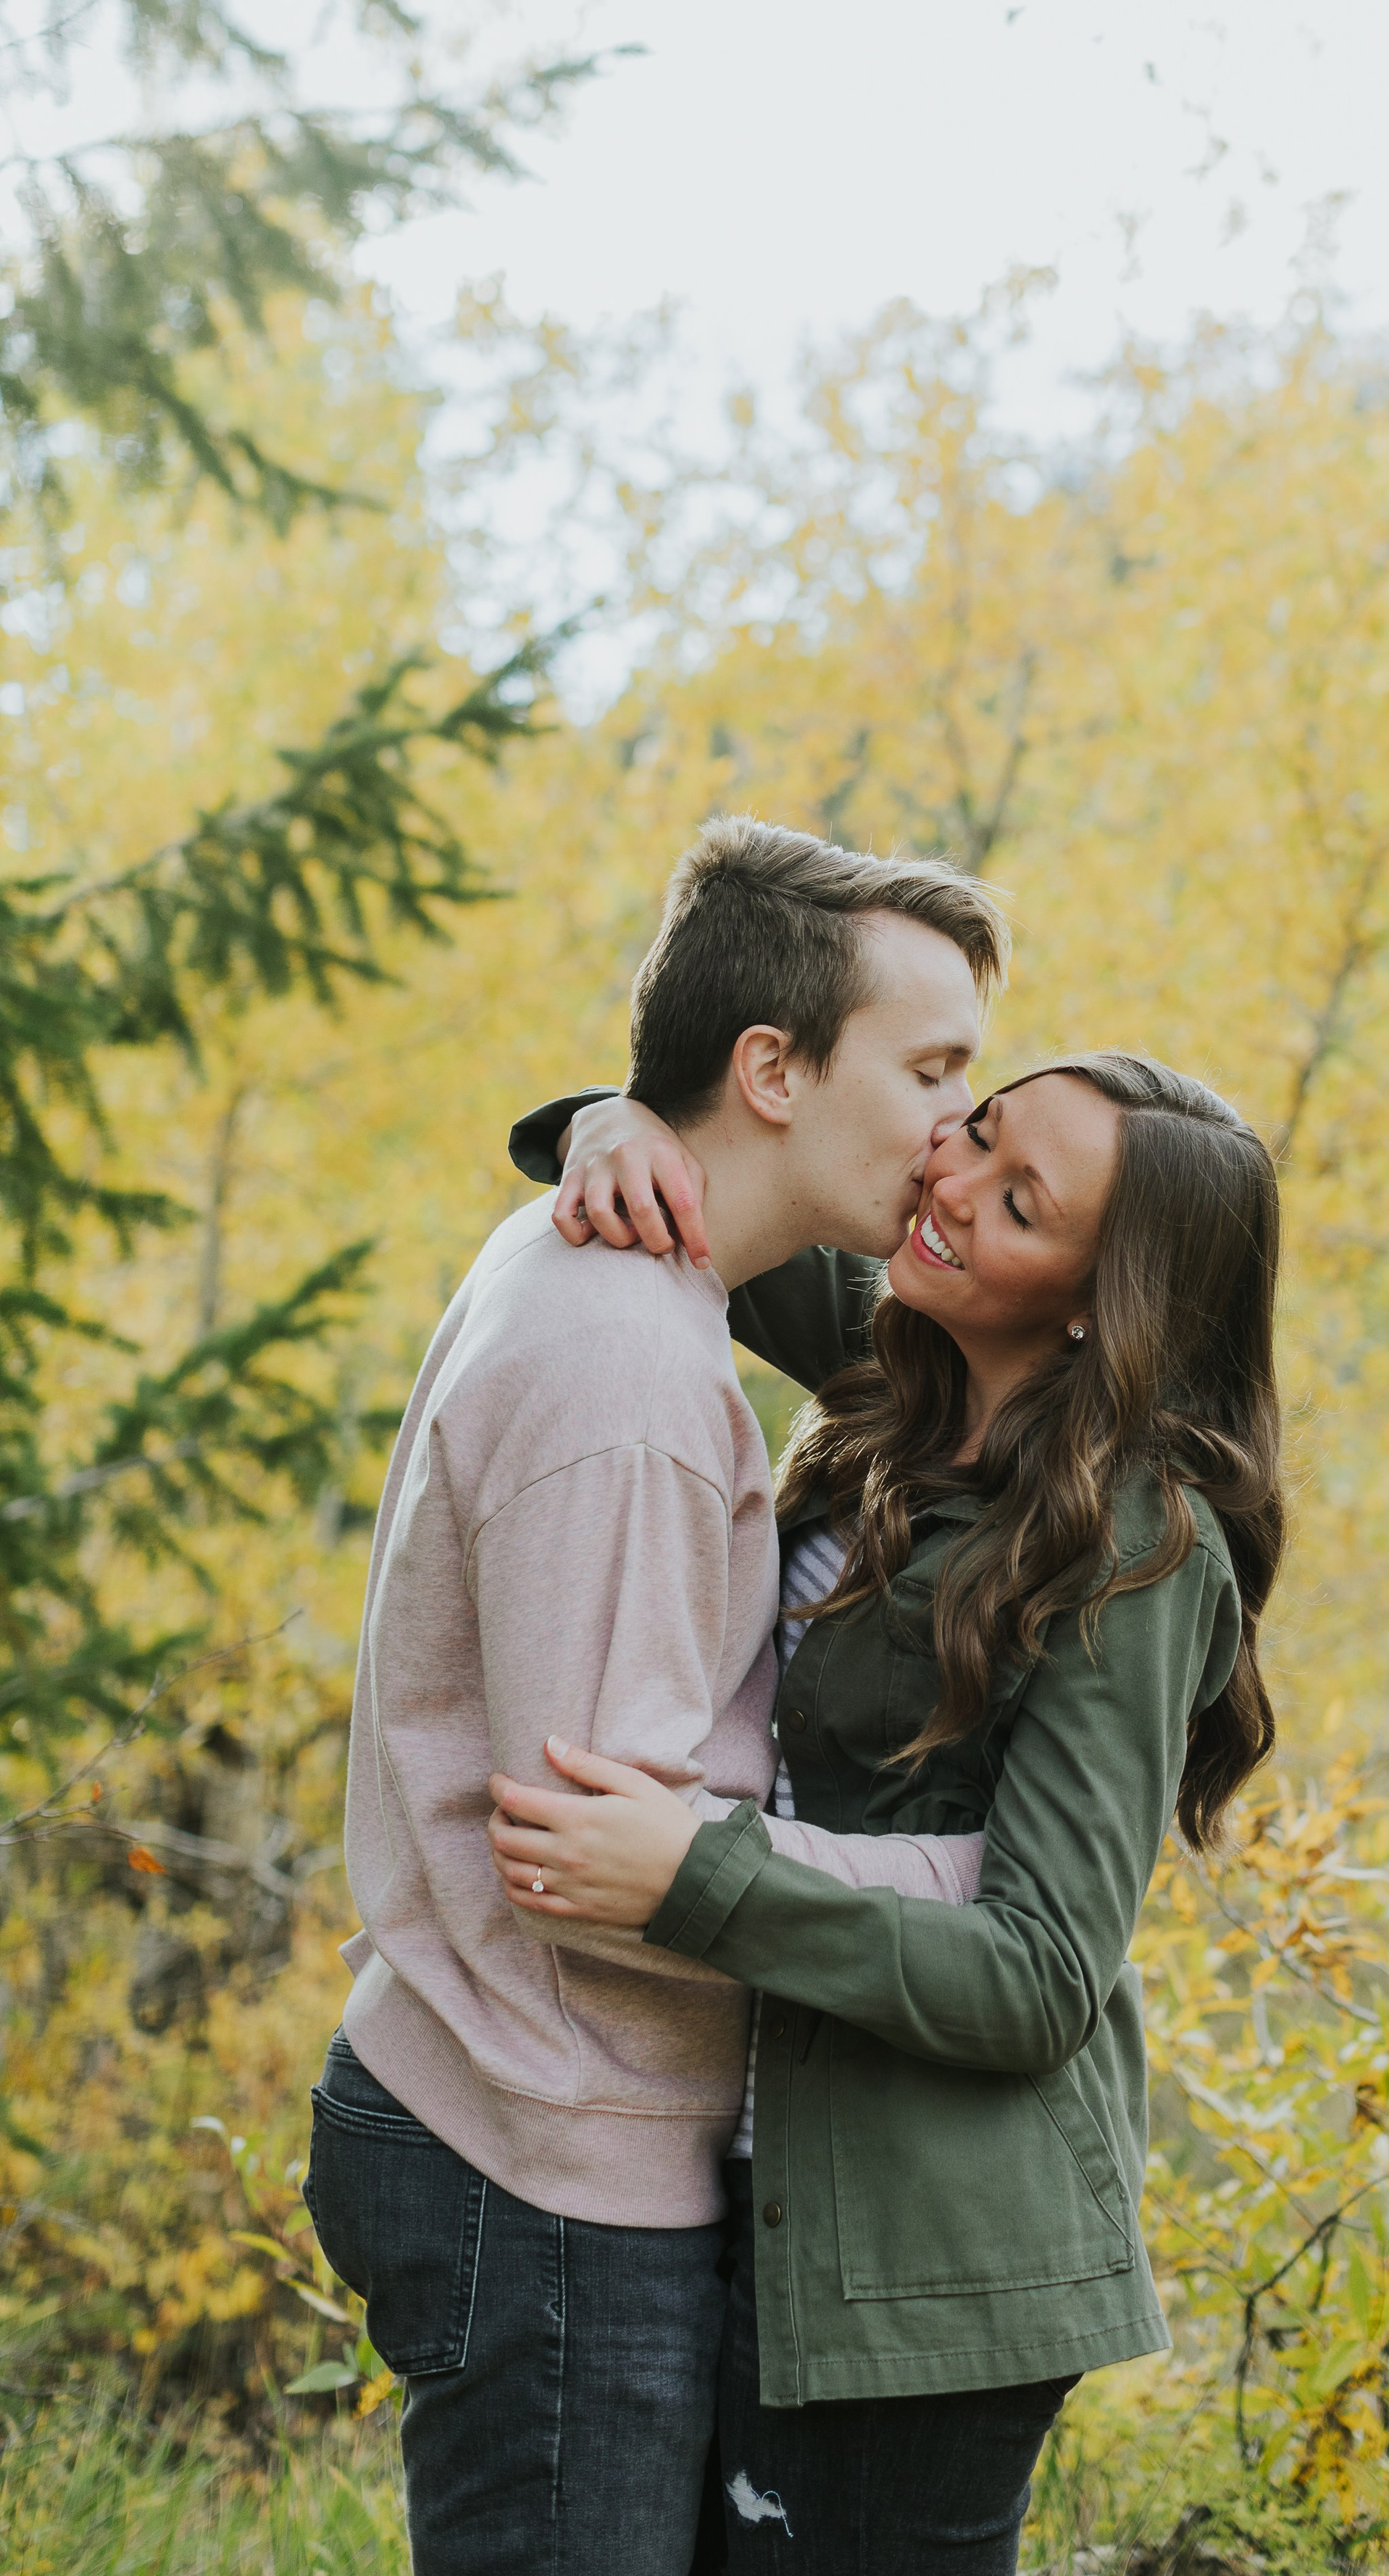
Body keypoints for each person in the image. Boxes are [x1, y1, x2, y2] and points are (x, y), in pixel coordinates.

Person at [306, 819, 1011, 2576]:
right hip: (545, 2155)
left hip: (556, 2119)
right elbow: (602, 1873)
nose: (954, 1129)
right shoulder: (628, 1365)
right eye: (930, 1070)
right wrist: (967, 1895)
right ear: (769, 1069)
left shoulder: (621, 1259)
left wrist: (607, 1112)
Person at [488, 1047, 1284, 2576]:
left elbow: (1042, 1974)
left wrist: (691, 1879)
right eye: (976, 1133)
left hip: (935, 2274)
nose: (950, 1186)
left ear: (1092, 1303)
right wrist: (609, 1121)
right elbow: (711, 1170)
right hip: (791, 2194)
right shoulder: (909, 1355)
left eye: (1019, 1200)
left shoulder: (1136, 1547)